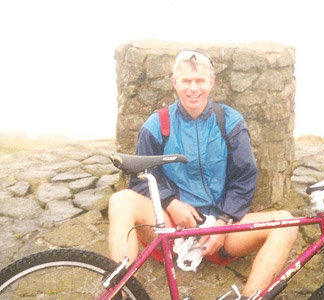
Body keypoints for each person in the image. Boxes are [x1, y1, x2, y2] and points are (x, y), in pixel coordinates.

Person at [108, 50, 298, 299]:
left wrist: (223, 221)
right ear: (175, 83)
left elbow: (245, 177)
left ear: (212, 82)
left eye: (200, 81)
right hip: (170, 227)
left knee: (287, 223)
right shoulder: (157, 124)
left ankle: (253, 296)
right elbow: (140, 178)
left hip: (222, 229)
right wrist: (170, 203)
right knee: (121, 200)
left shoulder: (230, 122)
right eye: (186, 81)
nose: (193, 89)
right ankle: (121, 290)